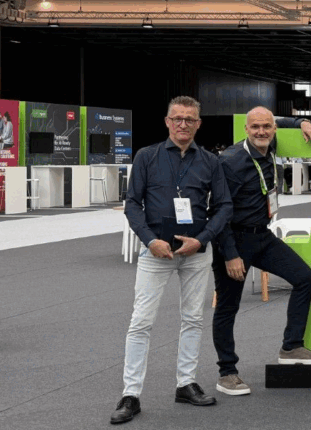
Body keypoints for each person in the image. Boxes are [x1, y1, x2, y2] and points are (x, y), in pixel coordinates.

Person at [112, 96, 233, 425]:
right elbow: (132, 204)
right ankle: (131, 394)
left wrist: (202, 239)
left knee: (193, 319)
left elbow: (223, 206)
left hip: (196, 253)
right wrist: (150, 241)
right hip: (156, 252)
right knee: (141, 322)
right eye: (177, 118)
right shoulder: (147, 156)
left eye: (189, 119)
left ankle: (186, 384)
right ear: (167, 122)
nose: (183, 124)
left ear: (198, 124)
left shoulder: (210, 161)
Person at [209, 108, 311, 398]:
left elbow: (281, 120)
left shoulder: (269, 144)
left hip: (261, 236)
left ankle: (291, 347)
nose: (261, 131)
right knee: (227, 308)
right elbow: (218, 212)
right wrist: (230, 254)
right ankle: (227, 373)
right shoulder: (230, 161)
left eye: (266, 126)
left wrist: (302, 122)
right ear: (246, 129)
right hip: (233, 240)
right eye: (255, 127)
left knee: (305, 278)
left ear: (273, 129)